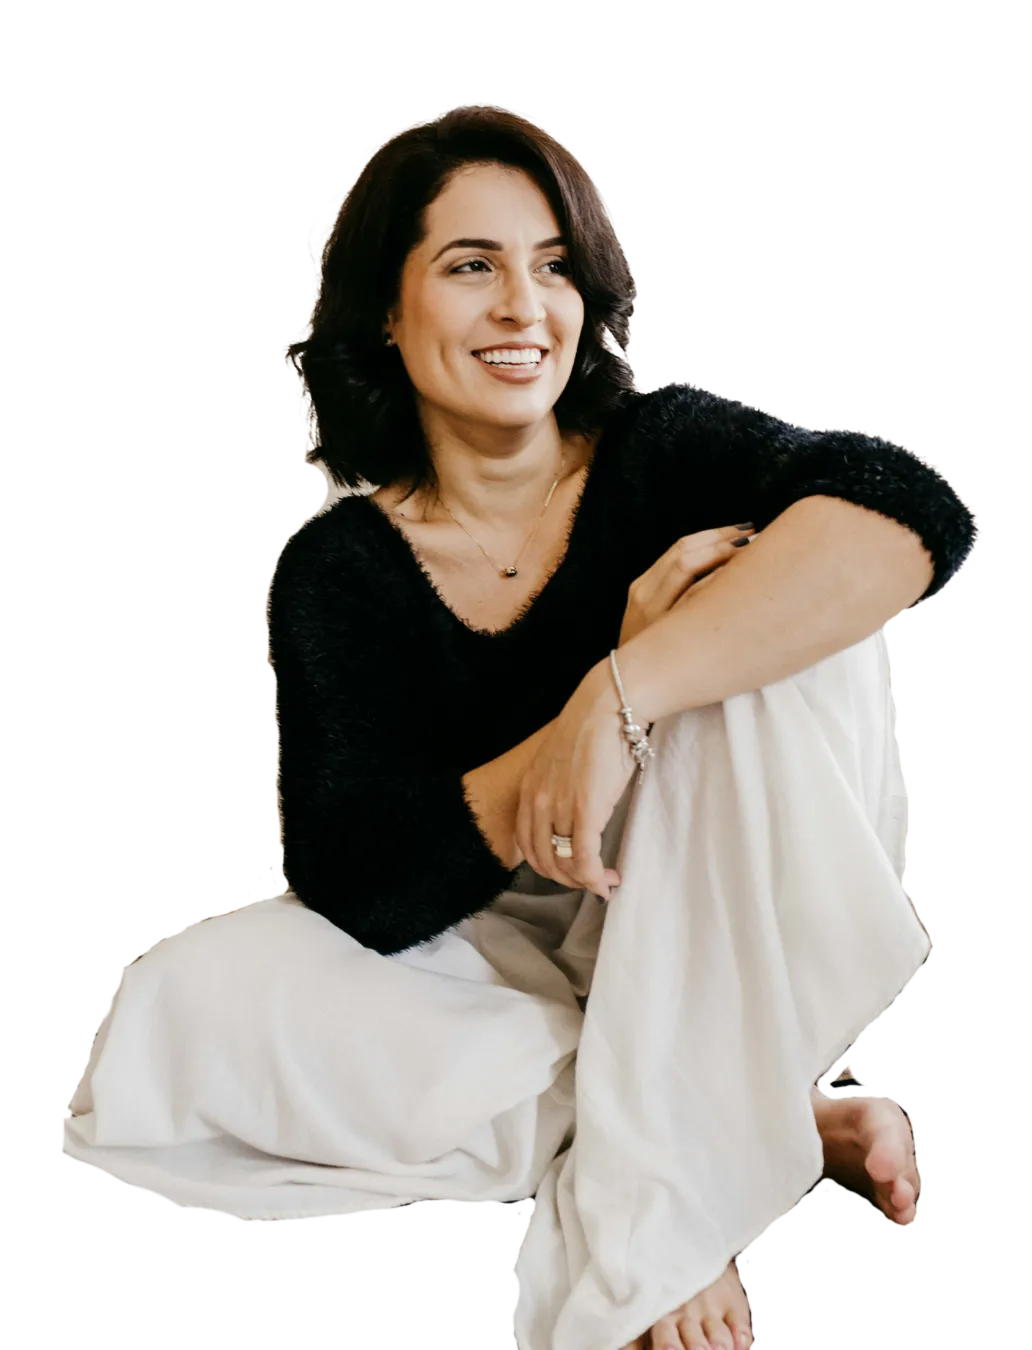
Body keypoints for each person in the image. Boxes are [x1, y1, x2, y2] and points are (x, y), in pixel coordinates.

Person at [60, 106, 976, 1348]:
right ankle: (761, 1120)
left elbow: (915, 513)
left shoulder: (664, 449)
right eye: (470, 265)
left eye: (552, 267)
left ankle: (668, 1200)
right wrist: (568, 738)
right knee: (183, 1005)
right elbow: (361, 879)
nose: (522, 307)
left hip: (709, 899)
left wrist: (630, 689)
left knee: (749, 628)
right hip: (516, 946)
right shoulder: (339, 568)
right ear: (388, 312)